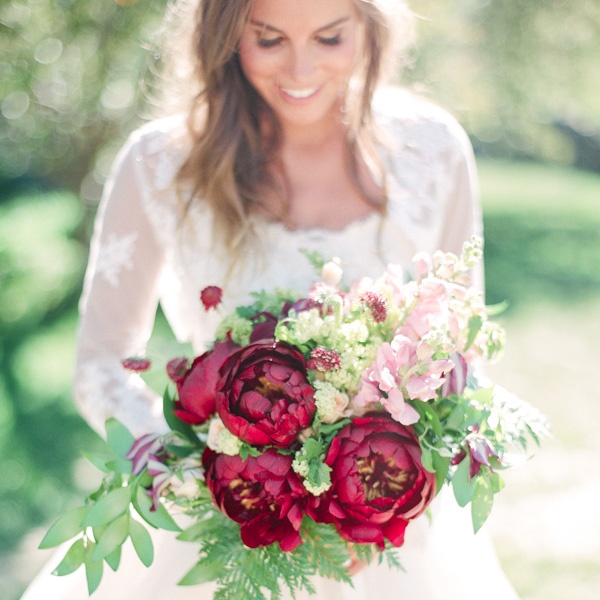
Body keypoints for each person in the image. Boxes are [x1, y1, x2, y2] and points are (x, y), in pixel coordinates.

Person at [23, 0, 520, 598]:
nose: (300, 69)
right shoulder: (158, 163)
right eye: (269, 39)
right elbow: (100, 363)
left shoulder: (435, 150)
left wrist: (381, 499)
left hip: (390, 541)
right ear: (225, 35)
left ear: (370, 27)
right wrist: (198, 470)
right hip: (220, 521)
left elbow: (459, 354)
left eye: (329, 38)